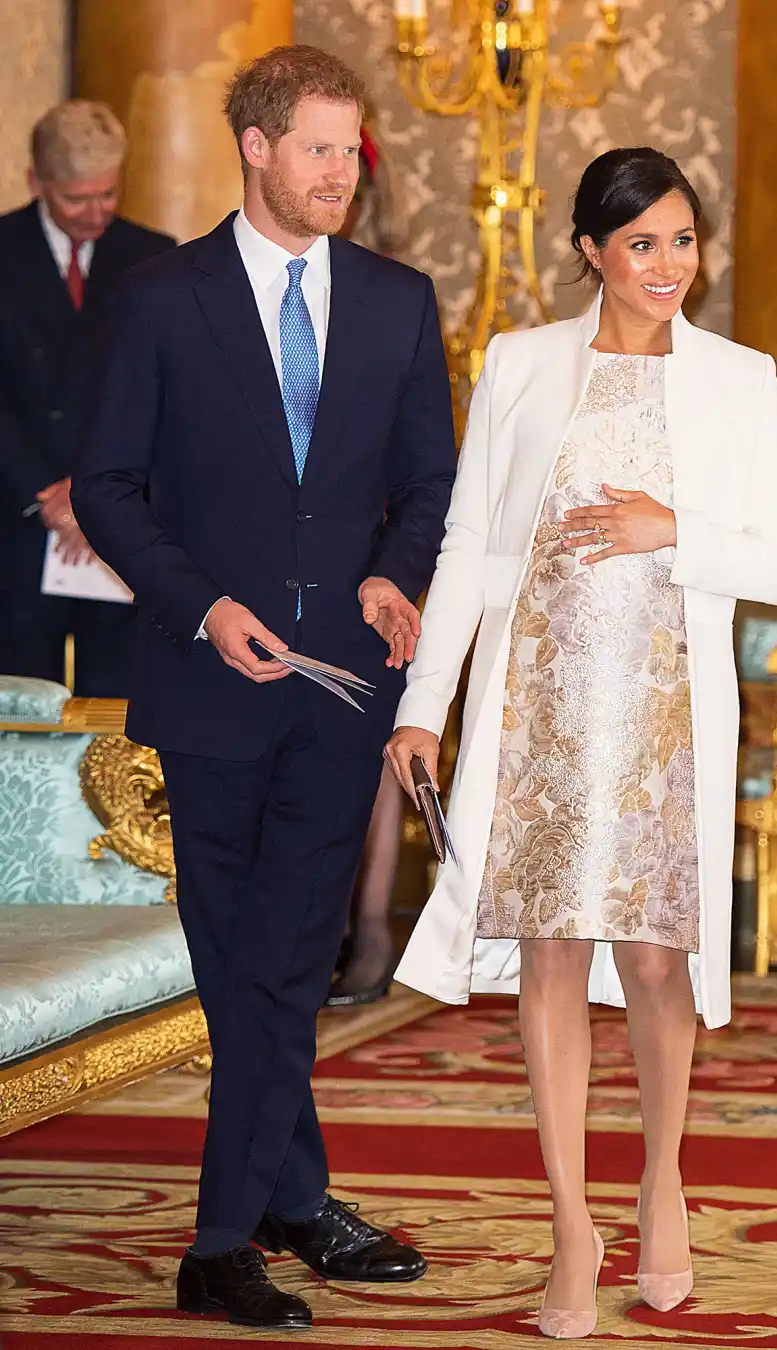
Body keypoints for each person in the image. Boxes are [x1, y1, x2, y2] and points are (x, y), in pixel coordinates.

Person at [385, 147, 777, 1338]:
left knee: (660, 963)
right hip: (542, 719)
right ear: (592, 253)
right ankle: (572, 1224)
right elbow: (468, 547)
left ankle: (661, 1172)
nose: (671, 264)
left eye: (684, 240)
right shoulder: (520, 363)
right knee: (556, 958)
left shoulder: (740, 378)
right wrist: (426, 705)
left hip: (666, 720)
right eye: (643, 244)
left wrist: (671, 529)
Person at [71, 45, 456, 1332]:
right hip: (207, 672)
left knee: (287, 956)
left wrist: (397, 577)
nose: (343, 173)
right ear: (256, 145)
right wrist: (203, 605)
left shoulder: (402, 303)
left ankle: (220, 1240)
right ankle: (296, 1200)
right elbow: (110, 488)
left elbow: (431, 486)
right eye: (320, 150)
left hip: (342, 682)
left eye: (353, 151)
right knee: (238, 955)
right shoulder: (159, 297)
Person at [0, 100, 175, 696]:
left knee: (117, 713)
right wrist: (45, 491)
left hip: (118, 523)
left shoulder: (154, 256)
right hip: (19, 520)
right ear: (36, 183)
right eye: (77, 198)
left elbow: (167, 391)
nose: (97, 213)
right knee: (22, 708)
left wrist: (92, 490)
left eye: (108, 194)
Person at [327, 123, 410, 1007]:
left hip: (387, 558)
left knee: (376, 746)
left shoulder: (394, 295)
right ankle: (327, 926)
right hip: (292, 565)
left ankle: (375, 925)